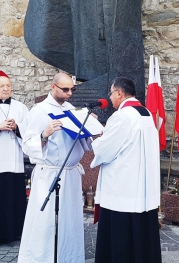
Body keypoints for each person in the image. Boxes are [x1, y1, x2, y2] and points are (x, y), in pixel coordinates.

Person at [18, 73, 92, 263]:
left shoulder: (72, 110)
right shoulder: (39, 111)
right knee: (45, 223)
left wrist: (87, 126)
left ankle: (69, 258)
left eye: (72, 90)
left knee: (70, 222)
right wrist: (45, 134)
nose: (69, 94)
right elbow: (27, 145)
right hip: (49, 174)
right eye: (65, 89)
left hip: (71, 173)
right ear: (53, 87)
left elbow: (84, 143)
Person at [90, 77, 161, 263]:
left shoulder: (122, 116)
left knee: (121, 241)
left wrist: (94, 138)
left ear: (120, 93)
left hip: (122, 190)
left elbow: (104, 150)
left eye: (111, 93)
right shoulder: (144, 112)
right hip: (142, 188)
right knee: (140, 238)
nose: (110, 98)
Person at [0, 71, 29, 244]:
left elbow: (29, 128)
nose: (6, 89)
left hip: (14, 160)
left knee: (13, 197)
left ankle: (15, 232)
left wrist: (17, 127)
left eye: (8, 86)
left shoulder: (20, 107)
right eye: (2, 86)